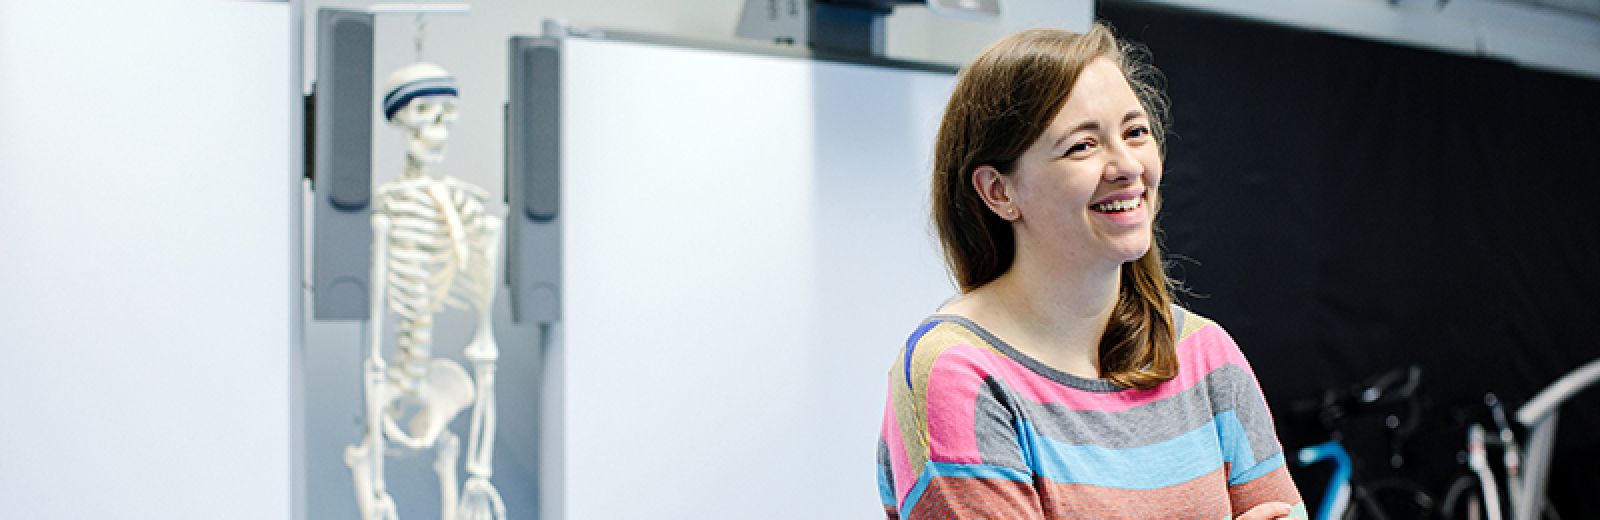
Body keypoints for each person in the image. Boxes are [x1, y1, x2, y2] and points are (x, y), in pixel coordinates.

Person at [876, 24, 1307, 519]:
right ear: (999, 191)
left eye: (1135, 132)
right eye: (1082, 146)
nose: (1127, 165)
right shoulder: (958, 376)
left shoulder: (1205, 354)